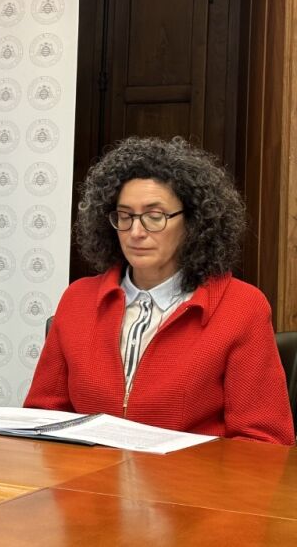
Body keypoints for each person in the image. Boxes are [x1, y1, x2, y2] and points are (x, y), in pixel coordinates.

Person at [24, 136, 295, 445]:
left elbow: (263, 442)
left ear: (193, 221)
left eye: (155, 217)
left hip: (190, 477)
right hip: (86, 475)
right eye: (125, 216)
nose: (136, 232)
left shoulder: (241, 307)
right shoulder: (78, 300)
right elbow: (41, 419)